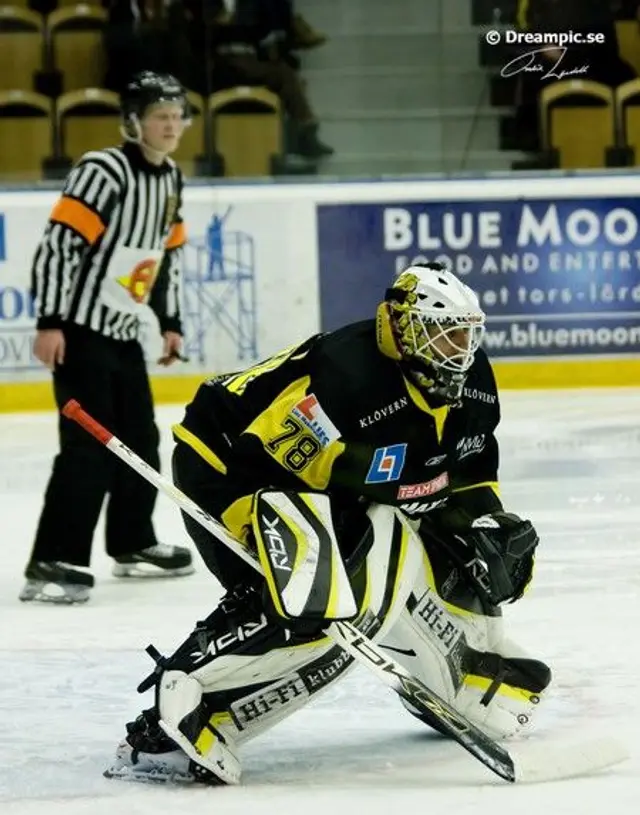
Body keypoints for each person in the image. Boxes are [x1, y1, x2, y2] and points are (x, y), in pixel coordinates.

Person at [104, 262, 551, 785]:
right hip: (230, 467)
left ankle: (461, 668)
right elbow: (289, 465)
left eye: (464, 334)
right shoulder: (347, 374)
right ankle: (177, 715)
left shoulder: (471, 378)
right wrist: (398, 501)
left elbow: (469, 466)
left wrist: (481, 528)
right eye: (443, 333)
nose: (458, 348)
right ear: (406, 329)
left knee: (440, 559)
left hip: (331, 485)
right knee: (323, 599)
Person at [20, 71, 196, 605]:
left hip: (121, 334)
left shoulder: (170, 179)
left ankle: (132, 542)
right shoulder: (105, 170)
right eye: (159, 116)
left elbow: (167, 257)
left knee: (141, 443)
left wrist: (170, 322)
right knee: (88, 449)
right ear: (133, 122)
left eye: (176, 116)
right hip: (78, 333)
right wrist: (51, 320)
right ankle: (53, 559)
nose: (170, 126)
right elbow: (59, 247)